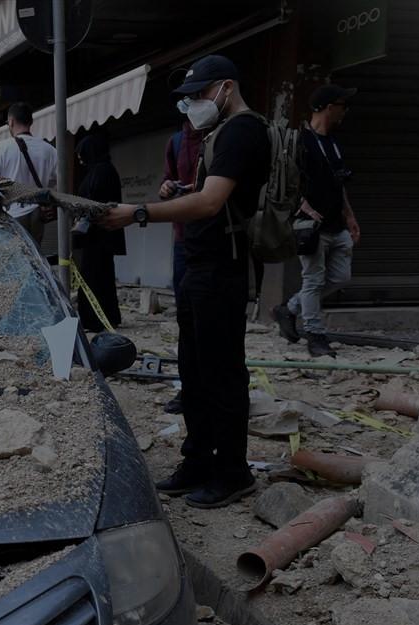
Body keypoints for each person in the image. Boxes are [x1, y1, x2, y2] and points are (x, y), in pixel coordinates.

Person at [99, 54, 270, 509]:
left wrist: (138, 212)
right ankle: (197, 459)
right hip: (197, 264)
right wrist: (178, 192)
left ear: (226, 88)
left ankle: (233, 472)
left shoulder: (243, 130)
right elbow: (208, 195)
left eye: (199, 94)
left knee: (223, 374)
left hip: (221, 268)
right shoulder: (215, 134)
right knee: (193, 371)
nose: (193, 103)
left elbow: (213, 204)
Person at [273, 84, 361, 358]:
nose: (345, 110)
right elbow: (283, 182)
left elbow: (339, 184)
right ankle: (316, 336)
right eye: (341, 104)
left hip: (336, 223)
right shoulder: (300, 141)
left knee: (340, 277)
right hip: (309, 227)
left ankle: (289, 309)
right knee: (313, 280)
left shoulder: (334, 144)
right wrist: (303, 205)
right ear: (326, 107)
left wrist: (349, 215)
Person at [158, 120, 206, 415]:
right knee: (186, 320)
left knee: (211, 321)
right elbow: (167, 180)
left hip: (216, 244)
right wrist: (166, 188)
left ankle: (211, 391)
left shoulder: (226, 135)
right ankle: (189, 391)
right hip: (183, 240)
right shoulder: (176, 142)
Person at [0, 102, 59, 241]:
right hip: (38, 214)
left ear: (11, 122)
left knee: (13, 257)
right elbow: (57, 185)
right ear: (31, 122)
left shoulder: (0, 148)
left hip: (10, 214)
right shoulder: (50, 150)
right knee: (35, 257)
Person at [73, 133, 124, 331]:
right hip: (98, 236)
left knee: (93, 276)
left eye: (81, 153)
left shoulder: (101, 172)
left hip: (98, 235)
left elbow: (95, 201)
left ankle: (95, 320)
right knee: (99, 276)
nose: (79, 158)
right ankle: (105, 317)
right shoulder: (100, 170)